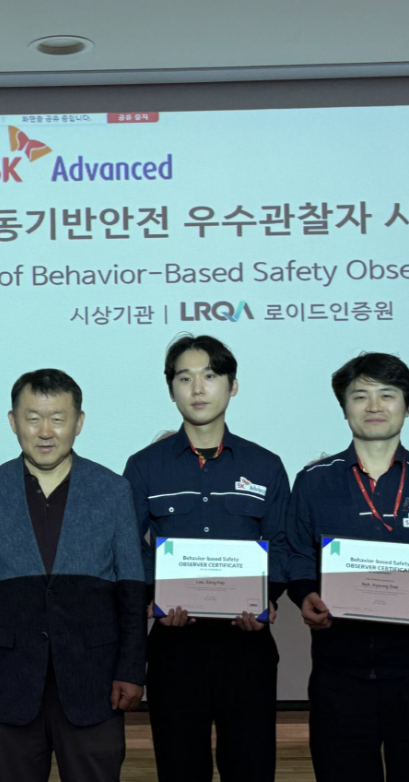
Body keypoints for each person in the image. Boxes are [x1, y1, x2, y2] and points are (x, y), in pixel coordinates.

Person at [0, 369, 145, 782]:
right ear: (13, 421)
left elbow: (132, 591)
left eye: (58, 419)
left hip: (95, 679)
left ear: (79, 422)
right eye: (33, 418)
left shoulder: (113, 490)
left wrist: (132, 669)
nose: (45, 431)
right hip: (9, 681)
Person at [287, 352, 409, 782]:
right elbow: (296, 554)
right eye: (360, 395)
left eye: (388, 394)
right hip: (338, 674)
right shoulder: (314, 480)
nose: (374, 406)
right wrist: (305, 594)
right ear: (343, 407)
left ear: (407, 405)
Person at [124, 335, 290, 782]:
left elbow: (282, 543)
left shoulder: (266, 465)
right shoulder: (144, 466)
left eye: (210, 376)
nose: (198, 389)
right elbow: (128, 544)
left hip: (248, 642)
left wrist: (267, 596)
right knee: (180, 767)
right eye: (185, 378)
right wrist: (156, 592)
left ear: (232, 386)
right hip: (175, 644)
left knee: (251, 767)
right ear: (171, 389)